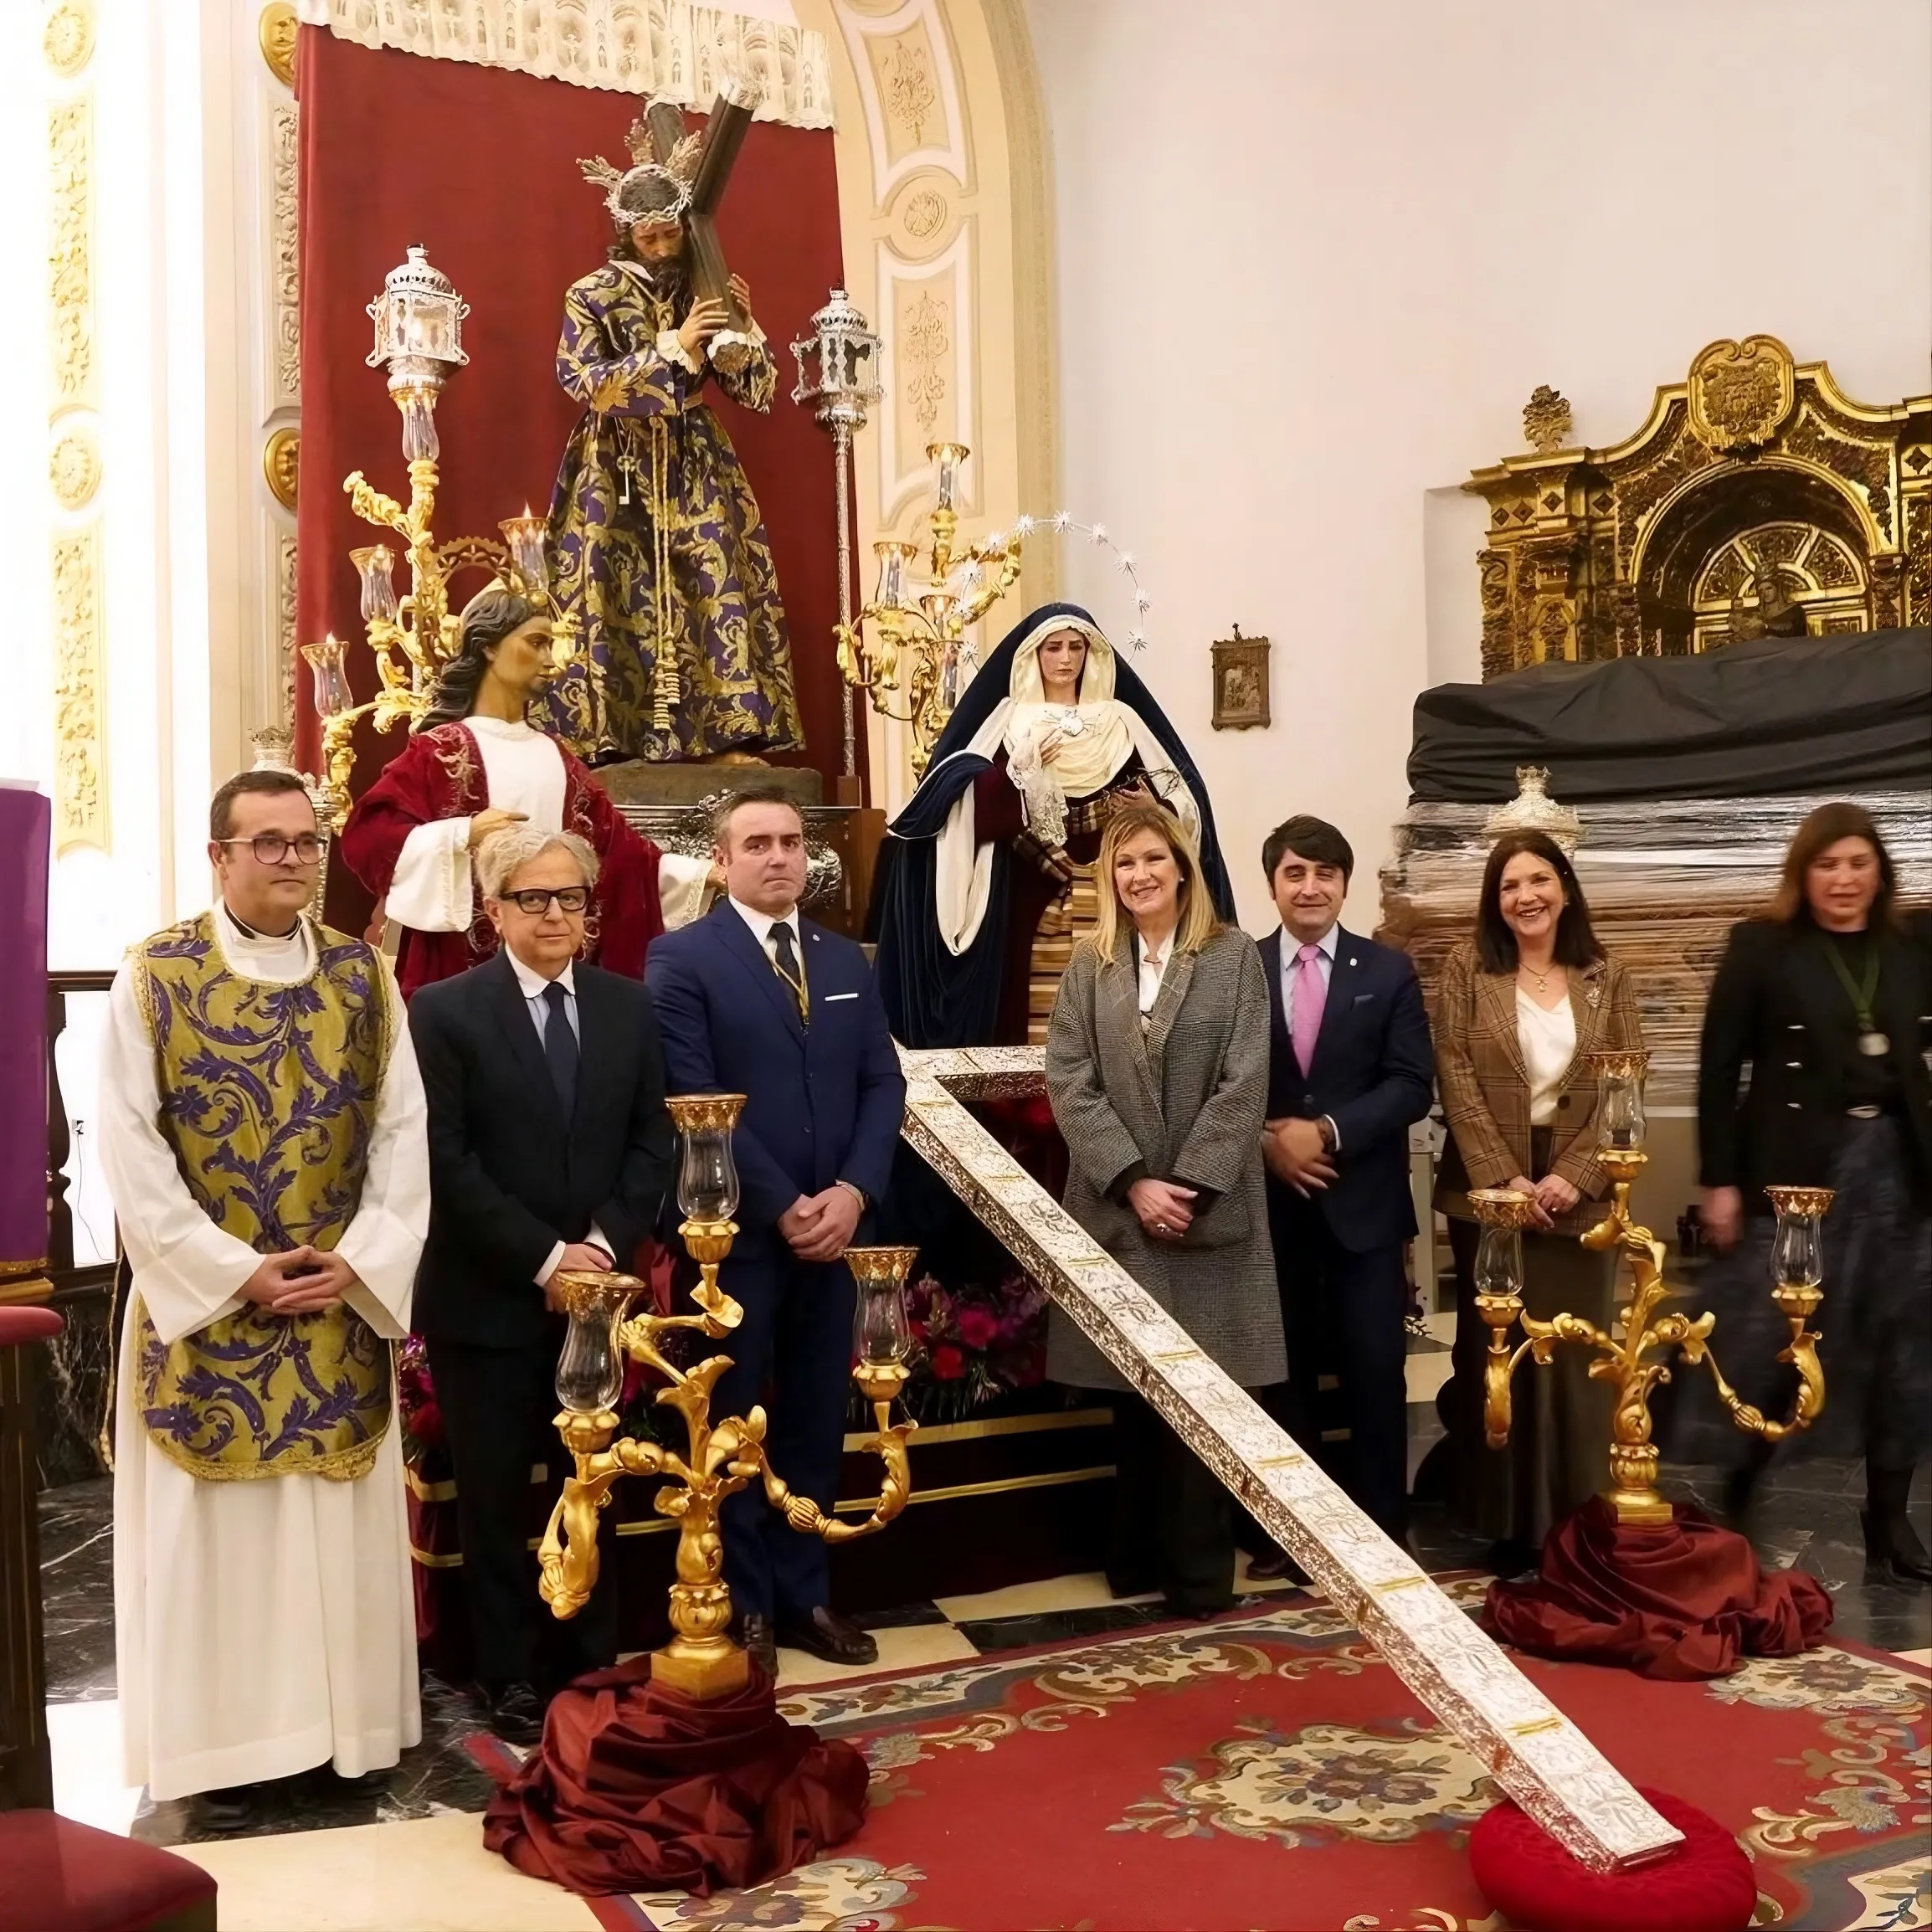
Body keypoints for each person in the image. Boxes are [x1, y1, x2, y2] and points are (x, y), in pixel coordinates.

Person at [98, 770, 429, 1831]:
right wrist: (230, 1267)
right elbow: (129, 1143)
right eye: (270, 841)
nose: (294, 858)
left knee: (329, 1525)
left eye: (306, 840)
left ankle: (345, 1736)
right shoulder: (156, 976)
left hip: (334, 1300)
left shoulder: (363, 976)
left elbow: (399, 1132)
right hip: (208, 1314)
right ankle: (227, 1743)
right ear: (221, 857)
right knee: (223, 1542)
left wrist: (363, 1257)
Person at [408, 828, 676, 1739]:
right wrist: (545, 1259)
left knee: (587, 1481)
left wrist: (597, 1249)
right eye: (534, 898)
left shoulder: (629, 1007)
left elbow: (653, 1142)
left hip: (595, 1305)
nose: (556, 913)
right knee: (495, 1497)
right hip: (484, 1301)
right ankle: (508, 1674)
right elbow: (444, 1159)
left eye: (570, 898)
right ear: (494, 911)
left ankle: (589, 1656)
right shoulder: (442, 1012)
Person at [645, 788, 906, 1673]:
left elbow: (882, 1082)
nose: (779, 856)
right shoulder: (681, 960)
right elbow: (691, 1093)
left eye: (791, 842)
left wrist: (853, 1193)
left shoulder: (844, 957)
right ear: (722, 861)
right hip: (741, 1240)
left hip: (835, 1233)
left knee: (813, 1420)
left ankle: (807, 1593)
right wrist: (782, 1202)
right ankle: (745, 1601)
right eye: (756, 843)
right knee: (738, 1419)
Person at [1045, 799, 1286, 1616]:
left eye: (1153, 858)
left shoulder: (1232, 957)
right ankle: (1136, 1562)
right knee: (1137, 1402)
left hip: (1206, 1215)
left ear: (1182, 866)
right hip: (1122, 1214)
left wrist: (1184, 1183)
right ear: (1110, 879)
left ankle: (1199, 1577)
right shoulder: (1091, 964)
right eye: (1124, 863)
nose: (1140, 874)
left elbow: (1245, 1082)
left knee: (1208, 1411)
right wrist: (1133, 1182)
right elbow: (1070, 1084)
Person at [1692, 802, 1931, 1581]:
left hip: (1898, 1163)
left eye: (1859, 863)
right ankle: (1738, 1493)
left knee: (1905, 1348)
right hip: (1796, 1170)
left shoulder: (1913, 944)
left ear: (1879, 872)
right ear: (1804, 872)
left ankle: (1889, 1523)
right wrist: (1722, 1181)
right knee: (1774, 1340)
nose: (1844, 879)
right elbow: (1720, 1067)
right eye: (1828, 864)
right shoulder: (1762, 948)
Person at [538, 116, 801, 763]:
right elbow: (582, 380)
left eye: (669, 233)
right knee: (608, 587)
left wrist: (739, 334)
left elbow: (756, 392)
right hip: (613, 463)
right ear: (624, 231)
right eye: (646, 235)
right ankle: (611, 739)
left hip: (693, 458)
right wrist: (673, 348)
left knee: (714, 578)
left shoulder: (703, 283)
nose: (659, 245)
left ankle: (726, 738)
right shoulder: (591, 295)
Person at [872, 602, 1235, 1049]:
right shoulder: (1007, 721)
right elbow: (962, 806)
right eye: (1053, 647)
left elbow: (1182, 799)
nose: (1065, 659)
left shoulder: (1122, 720)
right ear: (1032, 655)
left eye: (1076, 647)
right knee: (1028, 1018)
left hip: (1116, 892)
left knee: (1121, 1010)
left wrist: (1154, 808)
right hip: (1028, 889)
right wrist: (1014, 776)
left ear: (1092, 654)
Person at [1432, 830, 1644, 1572]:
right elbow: (1455, 1073)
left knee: (1578, 1364)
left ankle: (1577, 1521)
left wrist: (1575, 1175)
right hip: (1492, 1200)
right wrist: (1506, 1179)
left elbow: (1627, 1082)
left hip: (1579, 1199)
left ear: (1564, 887)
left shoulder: (1606, 974)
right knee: (1501, 1360)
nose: (1526, 897)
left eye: (1539, 880)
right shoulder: (1468, 968)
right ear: (1496, 901)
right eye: (1509, 885)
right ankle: (1506, 1523)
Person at [339, 583, 717, 999]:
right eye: (536, 643)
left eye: (551, 645)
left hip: (556, 965)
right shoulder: (442, 750)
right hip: (466, 977)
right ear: (487, 647)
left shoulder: (555, 754)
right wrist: (462, 834)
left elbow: (624, 856)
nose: (550, 662)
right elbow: (370, 838)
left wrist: (703, 876)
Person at [1252, 816, 1435, 1559]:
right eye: (1295, 873)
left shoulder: (1386, 971)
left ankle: (1381, 1531)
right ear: (1273, 884)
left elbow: (1410, 1086)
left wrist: (1323, 1132)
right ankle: (1292, 1535)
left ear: (1345, 883)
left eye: (1325, 873)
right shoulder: (1240, 966)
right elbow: (1217, 1080)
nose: (1311, 886)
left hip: (1364, 1206)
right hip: (1271, 1208)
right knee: (1285, 1373)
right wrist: (1267, 1142)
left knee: (1372, 1370)